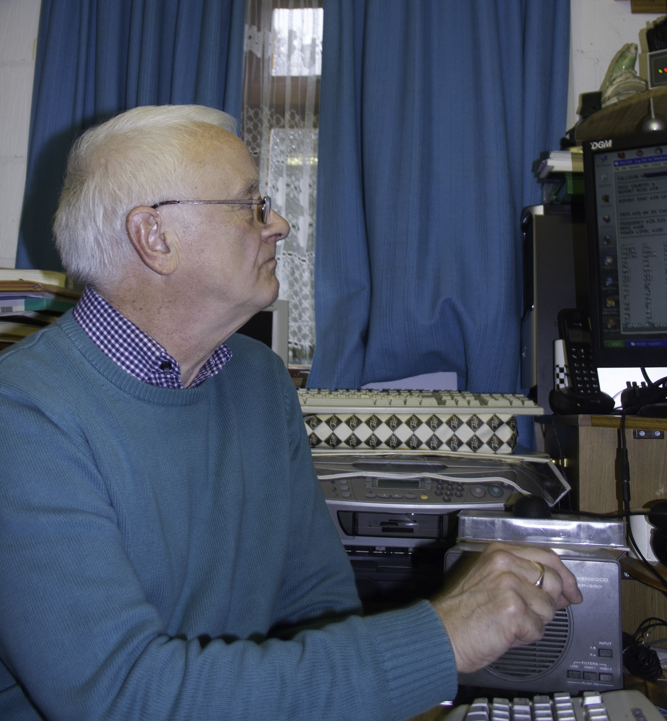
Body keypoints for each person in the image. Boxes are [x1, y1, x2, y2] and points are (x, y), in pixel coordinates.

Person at [0, 105, 582, 721]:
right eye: (249, 205)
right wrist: (442, 637)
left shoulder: (259, 382)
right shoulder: (26, 417)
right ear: (155, 237)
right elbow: (119, 699)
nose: (278, 224)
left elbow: (317, 603)